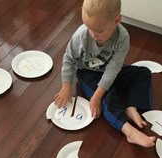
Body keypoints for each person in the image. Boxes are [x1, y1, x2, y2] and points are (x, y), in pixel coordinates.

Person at [54, 0, 156, 148]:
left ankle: (131, 107)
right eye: (89, 28)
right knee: (108, 97)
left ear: (117, 20)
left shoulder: (123, 37)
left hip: (110, 72)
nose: (93, 35)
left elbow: (113, 69)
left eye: (99, 30)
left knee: (143, 73)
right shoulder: (81, 36)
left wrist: (96, 96)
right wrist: (66, 86)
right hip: (87, 73)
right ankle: (129, 131)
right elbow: (69, 59)